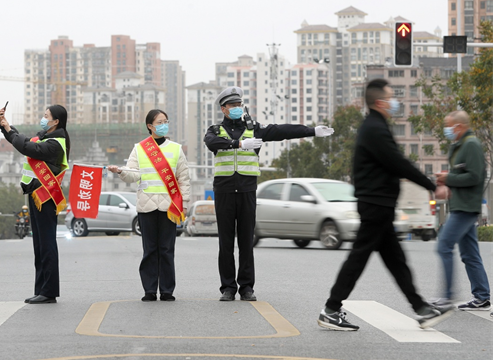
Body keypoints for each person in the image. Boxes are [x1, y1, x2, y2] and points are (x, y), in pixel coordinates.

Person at [317, 78, 453, 331]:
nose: (395, 102)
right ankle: (331, 308)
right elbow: (398, 162)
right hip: (375, 204)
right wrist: (432, 185)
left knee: (395, 261)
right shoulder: (375, 129)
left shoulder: (375, 126)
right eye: (391, 97)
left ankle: (421, 308)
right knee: (360, 259)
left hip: (378, 204)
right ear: (380, 102)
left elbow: (392, 163)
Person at [204, 87, 334, 302]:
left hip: (247, 190)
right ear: (223, 109)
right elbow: (211, 143)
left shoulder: (254, 129)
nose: (237, 108)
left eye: (239, 105)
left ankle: (246, 287)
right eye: (233, 105)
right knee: (225, 243)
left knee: (246, 241)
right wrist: (238, 144)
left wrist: (311, 131)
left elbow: (282, 131)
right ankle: (228, 287)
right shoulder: (215, 130)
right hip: (225, 191)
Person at [108, 109, 190, 302]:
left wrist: (184, 204)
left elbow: (184, 179)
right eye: (160, 122)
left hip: (170, 207)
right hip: (146, 206)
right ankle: (150, 290)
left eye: (166, 121)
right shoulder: (139, 148)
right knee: (150, 250)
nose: (164, 124)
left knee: (167, 250)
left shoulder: (176, 149)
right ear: (150, 126)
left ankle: (167, 290)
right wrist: (120, 171)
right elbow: (132, 174)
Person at [0, 104, 70, 304]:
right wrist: (6, 126)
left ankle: (49, 291)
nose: (43, 118)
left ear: (56, 121)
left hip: (46, 197)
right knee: (39, 245)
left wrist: (10, 131)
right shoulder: (45, 137)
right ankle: (41, 289)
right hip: (36, 194)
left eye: (46, 116)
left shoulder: (56, 143)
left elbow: (27, 147)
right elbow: (25, 142)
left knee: (46, 244)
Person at [433, 110, 490, 311]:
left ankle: (447, 297)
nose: (446, 130)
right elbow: (462, 174)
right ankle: (482, 296)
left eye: (448, 126)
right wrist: (448, 181)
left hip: (466, 208)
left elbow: (474, 177)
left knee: (444, 245)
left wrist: (448, 179)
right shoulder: (459, 145)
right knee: (470, 254)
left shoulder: (471, 145)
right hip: (459, 204)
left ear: (459, 127)